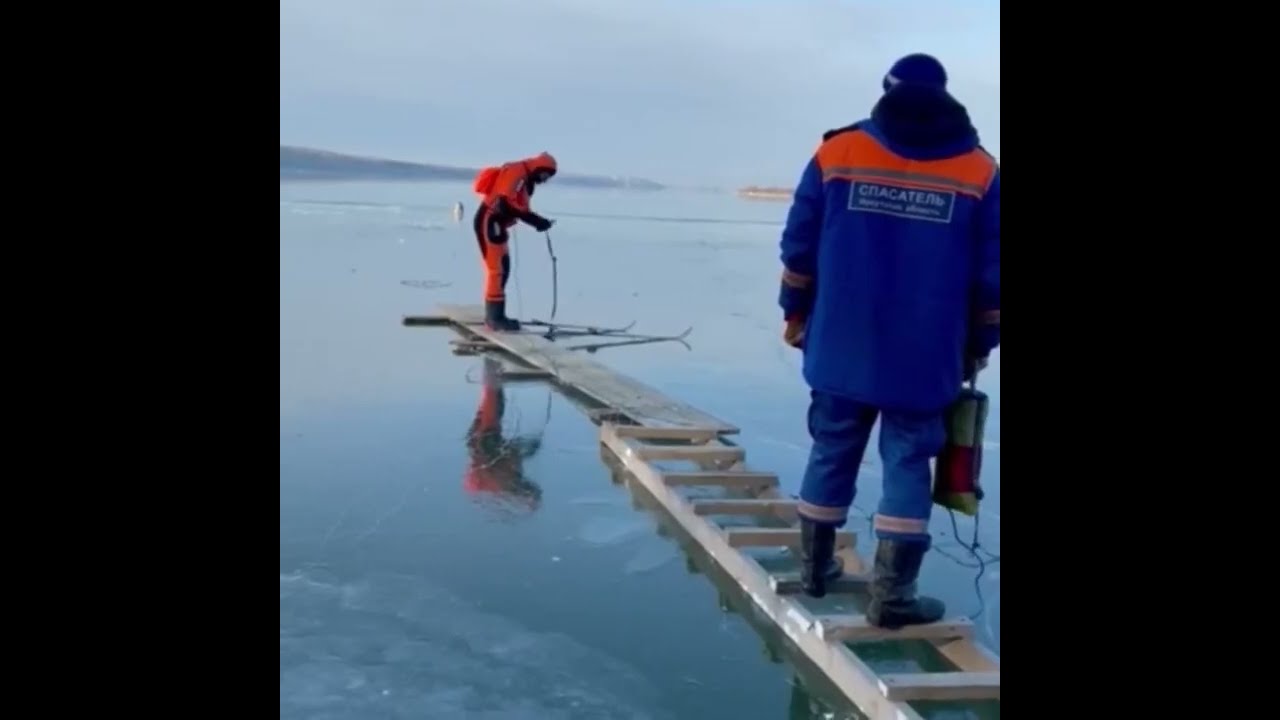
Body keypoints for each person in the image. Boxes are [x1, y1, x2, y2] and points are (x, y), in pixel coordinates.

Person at [777, 53, 1000, 628]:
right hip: (926, 353)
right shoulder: (979, 171)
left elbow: (798, 246)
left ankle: (814, 571)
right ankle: (892, 598)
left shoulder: (838, 153)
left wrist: (795, 312)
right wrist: (979, 341)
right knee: (908, 462)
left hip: (841, 341)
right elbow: (992, 274)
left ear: (886, 89)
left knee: (831, 448)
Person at [471, 153, 558, 331]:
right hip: (489, 222)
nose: (544, 180)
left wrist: (537, 221)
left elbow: (517, 207)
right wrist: (536, 221)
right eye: (545, 176)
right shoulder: (517, 172)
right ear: (540, 169)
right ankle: (494, 318)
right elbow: (505, 204)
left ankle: (497, 315)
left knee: (504, 267)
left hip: (497, 225)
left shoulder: (524, 179)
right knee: (497, 270)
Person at [464, 357, 544, 513]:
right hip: (487, 437)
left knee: (492, 398)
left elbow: (509, 455)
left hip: (484, 435)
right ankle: (492, 361)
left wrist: (525, 449)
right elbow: (512, 455)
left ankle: (491, 359)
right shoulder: (509, 480)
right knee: (495, 400)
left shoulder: (501, 482)